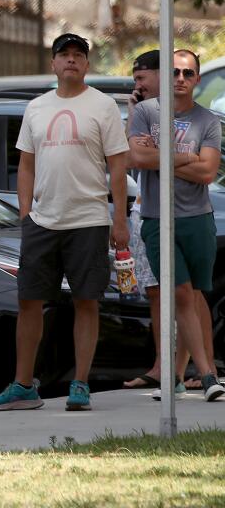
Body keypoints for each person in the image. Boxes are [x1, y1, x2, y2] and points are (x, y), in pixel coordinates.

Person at [0, 33, 130, 413]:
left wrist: (120, 218)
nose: (72, 61)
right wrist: (26, 213)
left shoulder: (104, 105)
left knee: (86, 302)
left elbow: (118, 166)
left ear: (88, 65)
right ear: (53, 63)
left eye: (79, 55)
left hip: (89, 218)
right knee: (29, 300)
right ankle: (23, 385)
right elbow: (25, 164)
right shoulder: (37, 108)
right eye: (65, 55)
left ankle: (80, 383)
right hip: (42, 221)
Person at [127, 49, 225, 402]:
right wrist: (186, 156)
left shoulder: (208, 121)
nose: (180, 79)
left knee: (193, 295)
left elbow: (208, 172)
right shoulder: (144, 112)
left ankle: (177, 376)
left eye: (187, 73)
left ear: (197, 79)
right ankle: (208, 374)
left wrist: (161, 157)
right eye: (174, 73)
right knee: (180, 293)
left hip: (197, 219)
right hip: (156, 218)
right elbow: (137, 157)